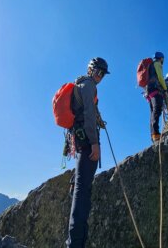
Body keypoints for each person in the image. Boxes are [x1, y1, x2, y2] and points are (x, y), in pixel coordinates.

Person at [66, 57, 109, 248]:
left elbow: (89, 112)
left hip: (79, 139)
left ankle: (75, 242)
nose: (100, 77)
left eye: (102, 74)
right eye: (98, 72)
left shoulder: (81, 83)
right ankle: (75, 244)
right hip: (86, 141)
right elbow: (89, 115)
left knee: (80, 187)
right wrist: (95, 143)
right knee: (82, 192)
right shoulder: (89, 84)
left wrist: (99, 122)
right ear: (91, 70)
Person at [145, 51, 167, 143]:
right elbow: (160, 77)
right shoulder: (157, 64)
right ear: (161, 58)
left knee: (152, 113)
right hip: (155, 89)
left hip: (148, 91)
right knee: (157, 110)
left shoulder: (149, 65)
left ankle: (153, 135)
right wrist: (165, 89)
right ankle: (156, 133)